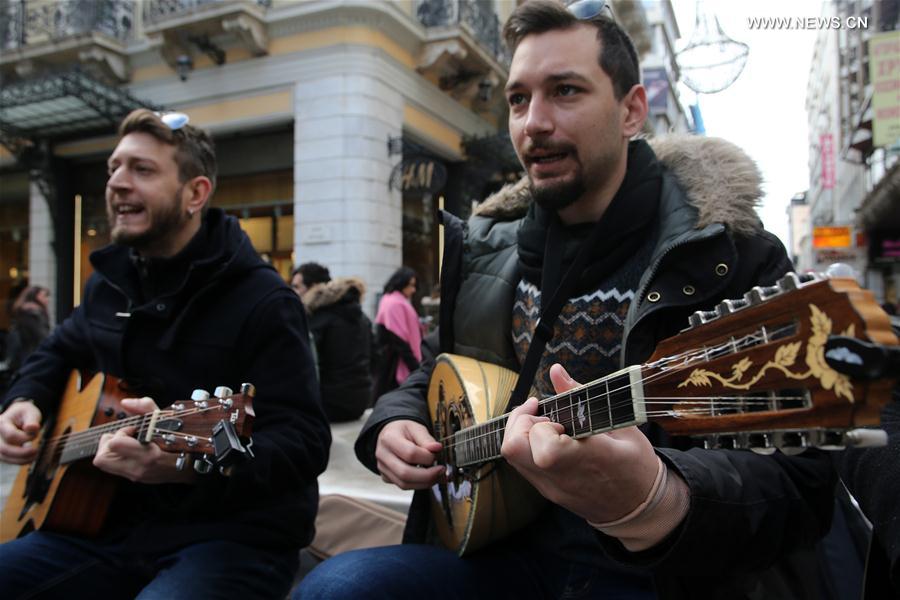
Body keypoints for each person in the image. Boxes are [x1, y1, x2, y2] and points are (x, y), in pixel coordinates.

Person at [296, 2, 838, 598]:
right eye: (518, 99)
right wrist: (394, 423)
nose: (533, 122)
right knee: (339, 586)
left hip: (662, 573)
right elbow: (432, 371)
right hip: (498, 549)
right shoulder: (487, 250)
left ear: (632, 109)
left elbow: (804, 485)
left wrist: (656, 498)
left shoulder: (728, 253)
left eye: (565, 91)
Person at [0, 109, 331, 599]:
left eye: (142, 169)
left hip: (228, 539)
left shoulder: (264, 300)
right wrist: (26, 399)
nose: (117, 182)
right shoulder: (108, 283)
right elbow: (57, 348)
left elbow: (303, 442)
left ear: (195, 193)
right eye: (114, 167)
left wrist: (185, 464)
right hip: (101, 528)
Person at [293, 262, 373, 422]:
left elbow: (302, 366)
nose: (293, 292)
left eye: (297, 287)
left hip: (328, 405)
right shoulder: (360, 315)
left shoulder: (317, 318)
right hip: (361, 401)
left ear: (314, 287)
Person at [372, 266, 422, 399]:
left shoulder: (392, 300)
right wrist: (415, 367)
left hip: (391, 363)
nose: (413, 290)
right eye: (410, 285)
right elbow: (398, 339)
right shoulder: (394, 303)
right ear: (401, 282)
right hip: (394, 366)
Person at [5, 284, 52, 376]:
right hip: (31, 360)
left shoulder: (25, 312)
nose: (47, 299)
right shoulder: (33, 314)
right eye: (44, 295)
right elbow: (42, 337)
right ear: (36, 296)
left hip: (26, 359)